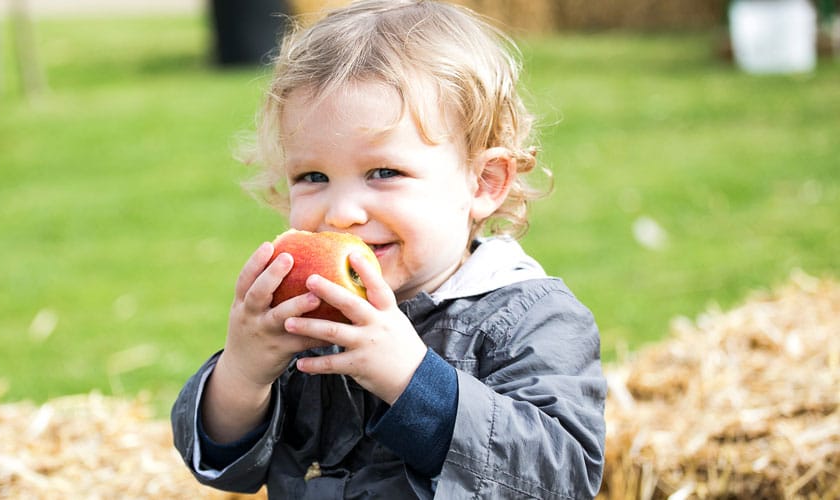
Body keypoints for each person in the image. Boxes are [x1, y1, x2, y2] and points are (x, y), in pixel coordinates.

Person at [171, 1, 606, 498]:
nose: (342, 213)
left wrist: (411, 380)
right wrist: (244, 371)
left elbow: (561, 479)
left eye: (383, 173)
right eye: (313, 177)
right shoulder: (306, 311)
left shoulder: (531, 317)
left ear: (483, 182)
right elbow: (224, 462)